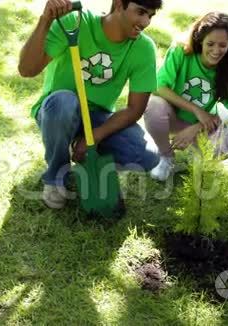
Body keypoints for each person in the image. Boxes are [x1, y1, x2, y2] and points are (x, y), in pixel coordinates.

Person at [18, 0, 163, 208]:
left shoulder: (143, 48)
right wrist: (46, 20)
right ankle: (56, 177)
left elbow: (135, 109)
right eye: (140, 12)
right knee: (64, 104)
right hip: (58, 110)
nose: (146, 22)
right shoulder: (76, 22)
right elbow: (27, 70)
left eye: (150, 15)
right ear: (119, 4)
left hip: (97, 118)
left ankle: (89, 161)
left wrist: (94, 136)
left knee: (148, 156)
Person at [143, 12, 228, 181]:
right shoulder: (181, 51)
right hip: (172, 116)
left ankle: (198, 159)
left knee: (225, 143)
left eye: (223, 45)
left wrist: (195, 128)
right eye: (210, 44)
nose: (216, 50)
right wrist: (196, 110)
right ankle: (166, 156)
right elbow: (159, 86)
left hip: (202, 125)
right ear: (200, 41)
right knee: (153, 105)